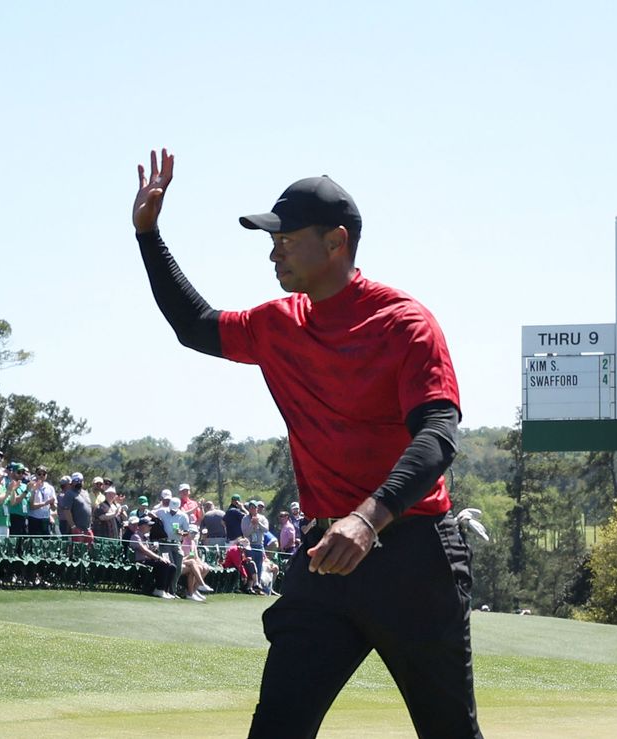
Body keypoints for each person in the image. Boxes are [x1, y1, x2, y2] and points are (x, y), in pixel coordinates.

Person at [133, 149, 478, 737]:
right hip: (325, 559)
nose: (274, 252)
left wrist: (368, 520)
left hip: (414, 557)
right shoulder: (279, 322)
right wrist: (148, 235)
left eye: (287, 239)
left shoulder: (404, 323)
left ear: (336, 242)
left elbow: (438, 436)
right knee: (277, 727)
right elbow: (195, 325)